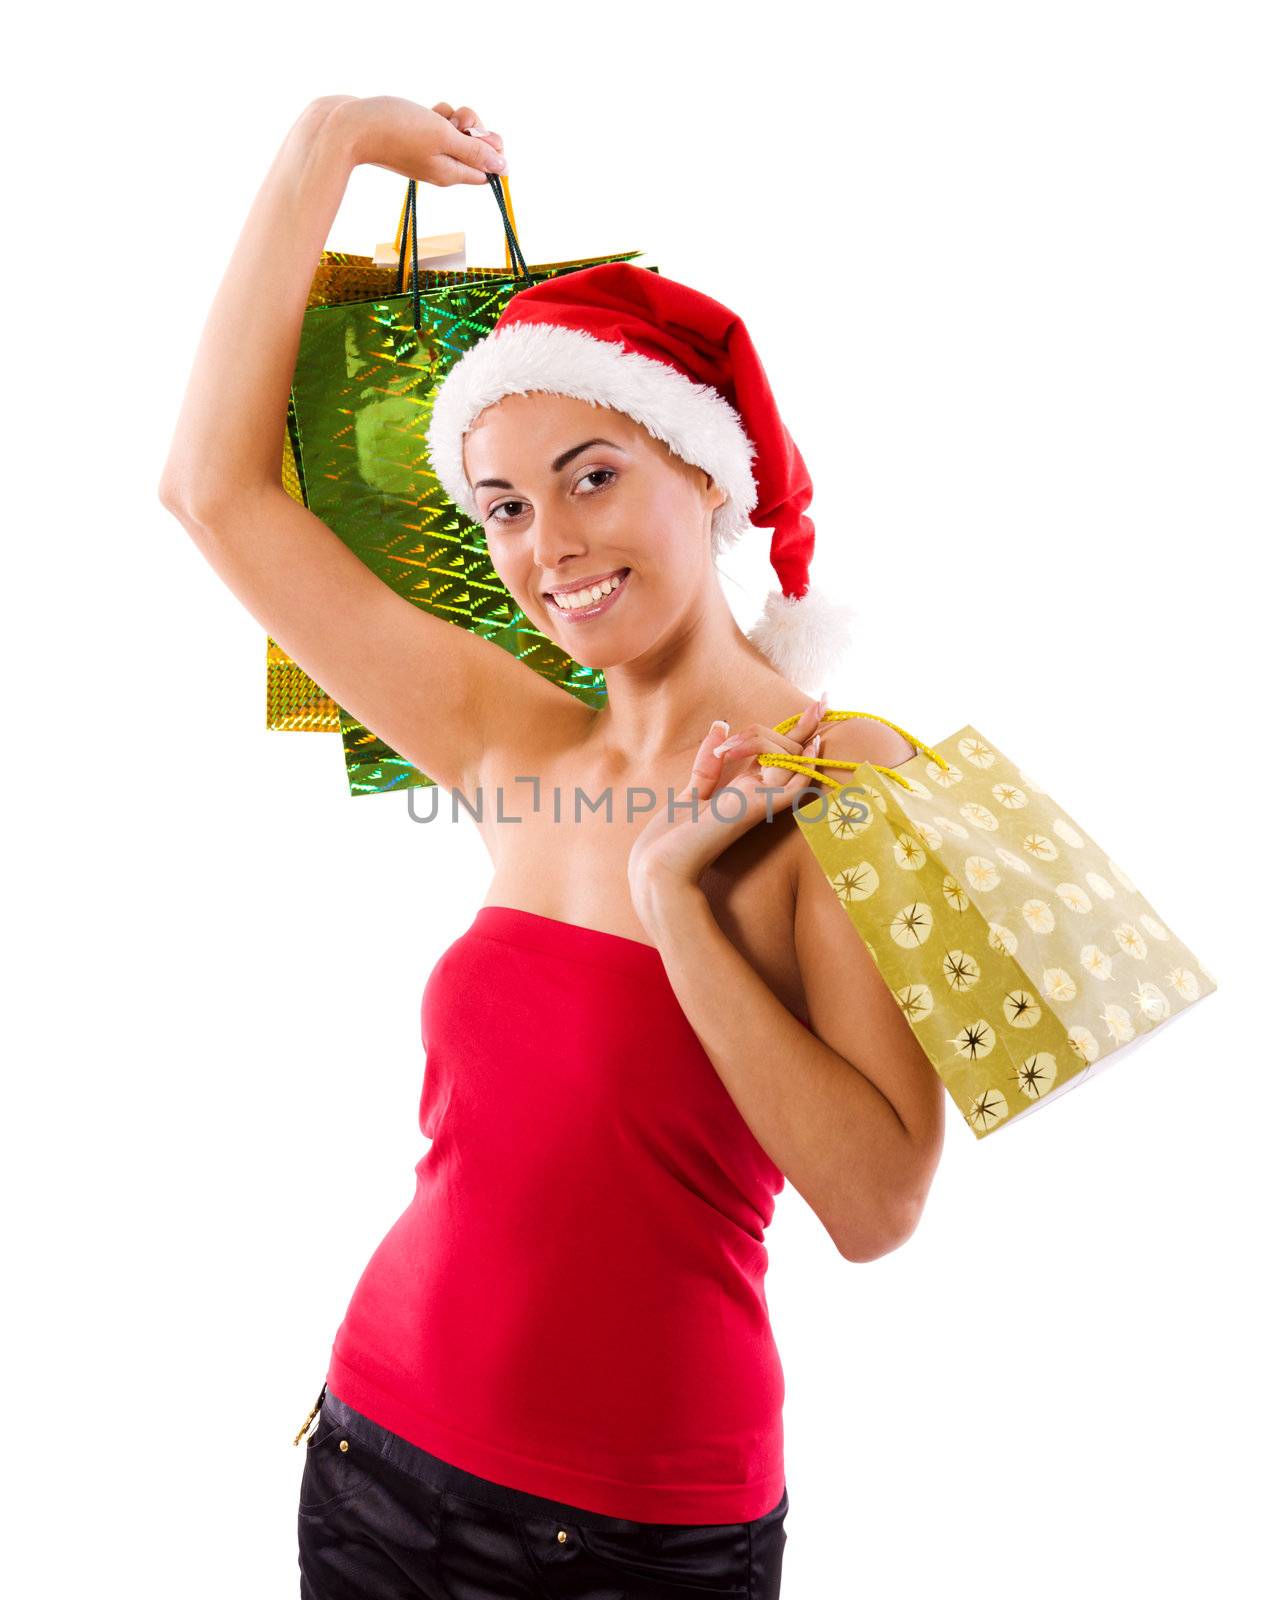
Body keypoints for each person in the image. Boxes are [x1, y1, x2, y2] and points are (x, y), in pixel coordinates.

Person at [159, 93, 946, 1600]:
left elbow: (875, 1204)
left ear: (706, 473)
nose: (550, 548)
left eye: (594, 476)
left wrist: (684, 907)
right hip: (372, 1464)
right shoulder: (515, 743)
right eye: (506, 507)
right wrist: (325, 139)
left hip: (642, 1539)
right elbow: (214, 491)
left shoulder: (847, 775)